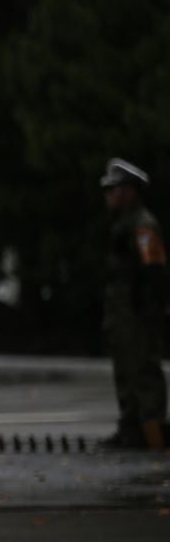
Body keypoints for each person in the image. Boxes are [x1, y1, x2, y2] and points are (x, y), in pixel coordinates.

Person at [98, 158, 167, 450]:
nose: (108, 196)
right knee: (126, 369)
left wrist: (150, 305)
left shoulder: (142, 225)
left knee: (143, 369)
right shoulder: (123, 225)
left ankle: (152, 433)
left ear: (129, 192)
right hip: (122, 310)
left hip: (137, 310)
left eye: (114, 190)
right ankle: (131, 428)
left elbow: (153, 268)